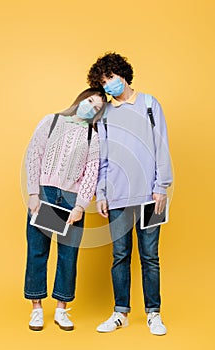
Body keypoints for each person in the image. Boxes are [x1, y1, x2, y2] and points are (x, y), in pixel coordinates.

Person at [87, 52, 173, 335]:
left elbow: (161, 146)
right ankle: (120, 312)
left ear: (122, 73)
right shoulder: (107, 114)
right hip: (117, 196)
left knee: (150, 256)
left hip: (150, 196)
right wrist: (101, 192)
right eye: (103, 81)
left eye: (110, 77)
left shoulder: (150, 104)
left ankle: (153, 313)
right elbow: (104, 155)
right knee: (120, 255)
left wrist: (162, 186)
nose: (108, 84)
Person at [24, 88, 107, 331]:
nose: (90, 107)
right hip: (46, 193)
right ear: (80, 98)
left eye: (96, 108)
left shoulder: (93, 137)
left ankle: (62, 309)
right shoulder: (51, 121)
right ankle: (36, 308)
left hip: (71, 200)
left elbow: (91, 173)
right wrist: (33, 193)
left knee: (68, 256)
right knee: (37, 251)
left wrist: (81, 205)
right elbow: (33, 155)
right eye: (89, 101)